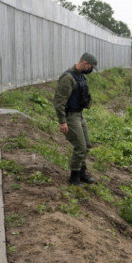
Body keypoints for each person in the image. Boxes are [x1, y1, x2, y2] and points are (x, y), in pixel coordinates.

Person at [53, 52, 97, 186]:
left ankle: (82, 173)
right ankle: (74, 176)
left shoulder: (80, 76)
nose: (90, 70)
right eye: (90, 67)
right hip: (71, 117)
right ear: (85, 63)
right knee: (80, 146)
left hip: (79, 115)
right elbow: (59, 101)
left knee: (87, 145)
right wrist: (62, 121)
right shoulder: (68, 78)